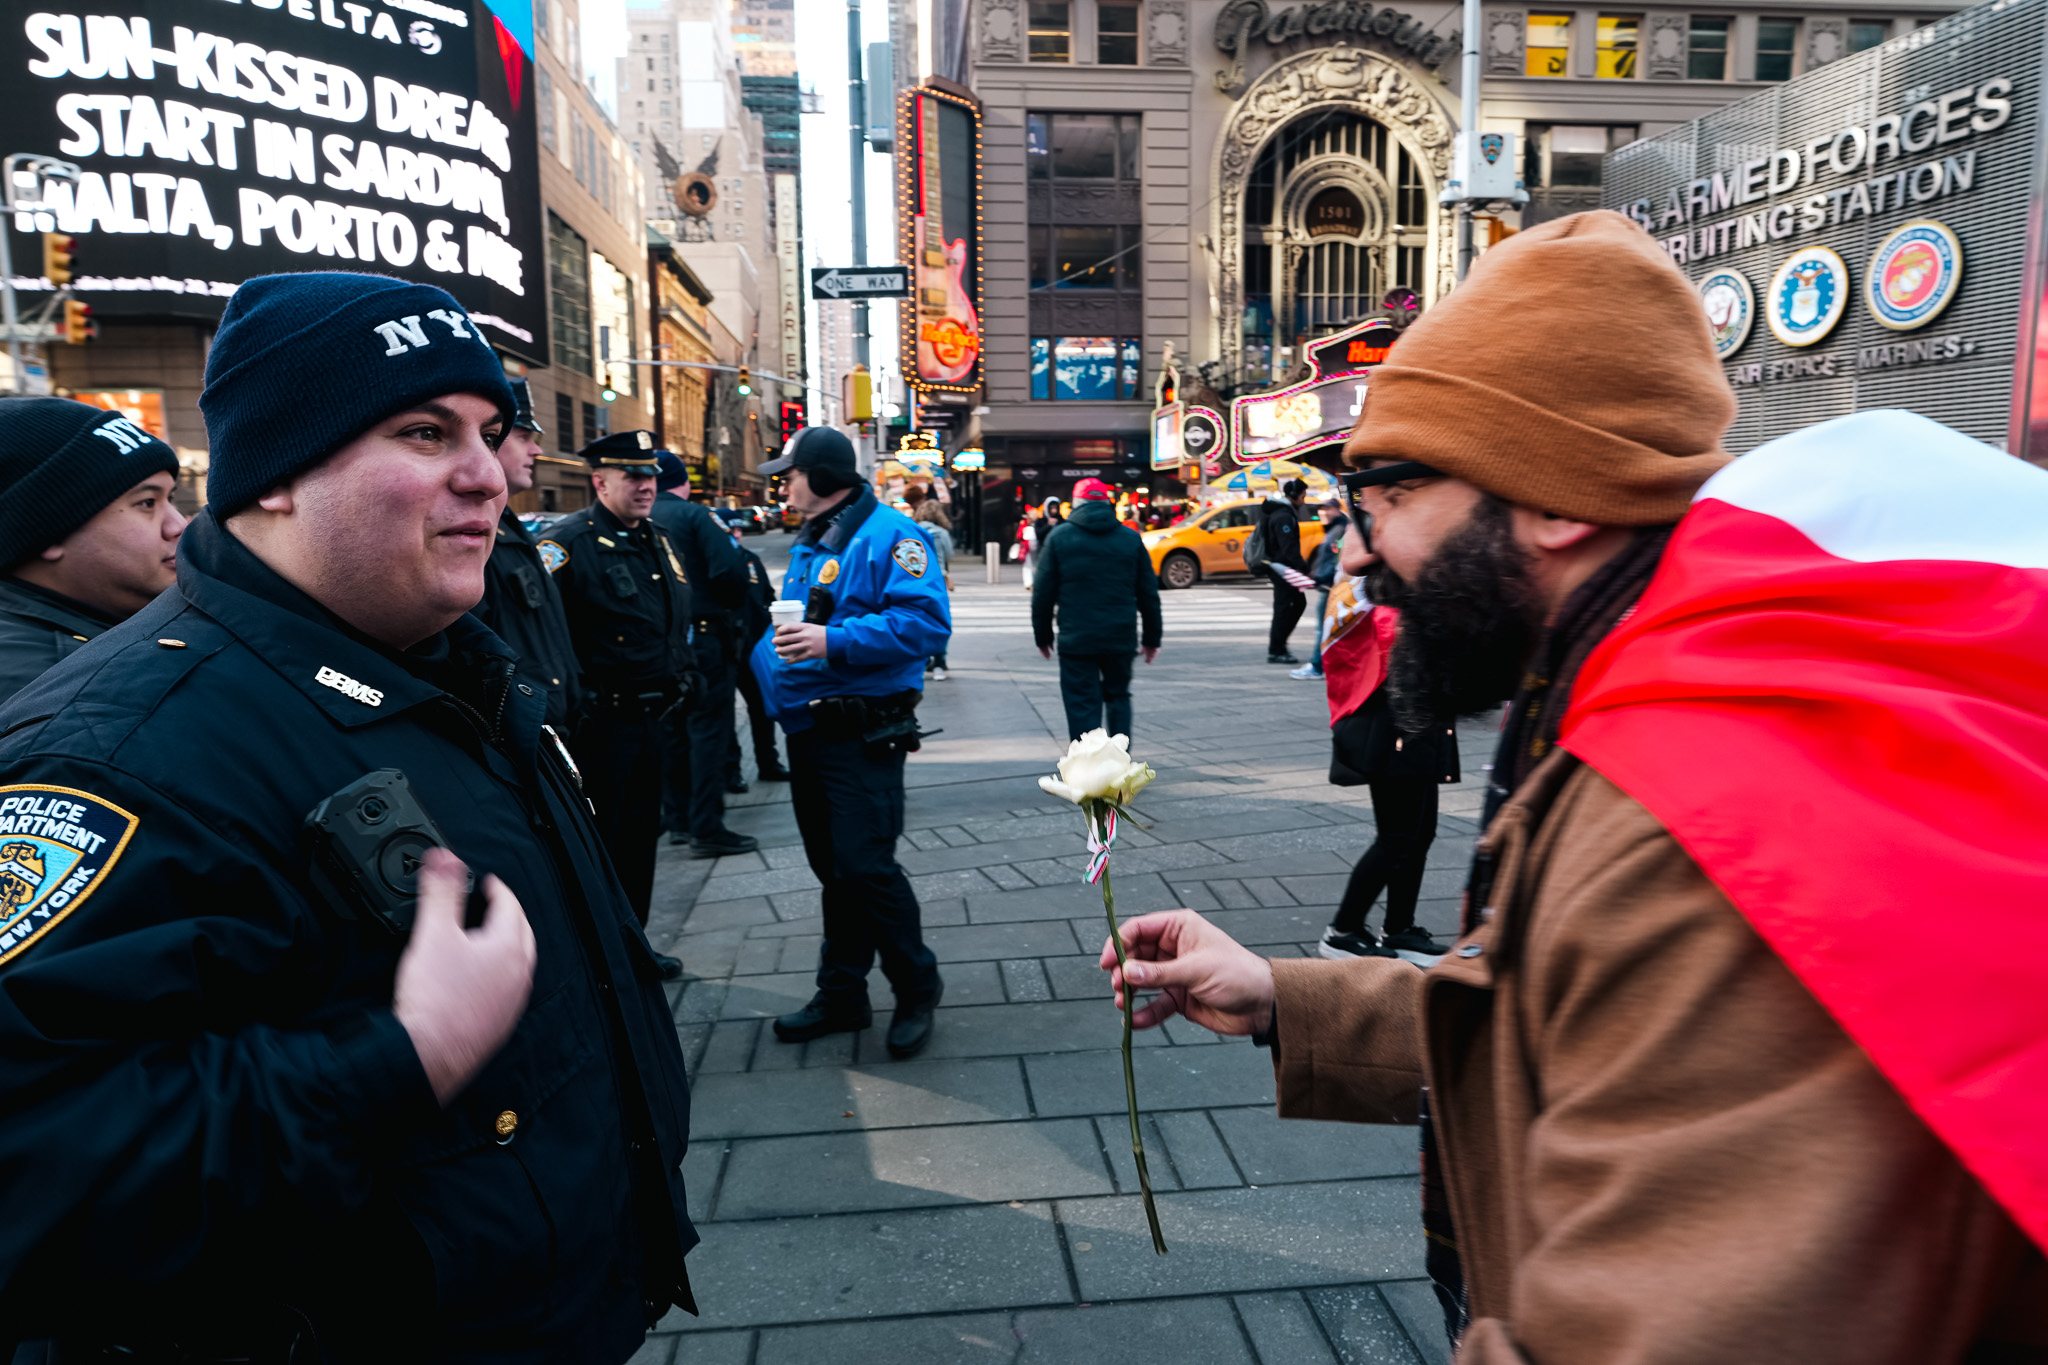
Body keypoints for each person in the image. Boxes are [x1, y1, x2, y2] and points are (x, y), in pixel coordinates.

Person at [1099, 214, 2048, 1361]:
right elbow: (1575, 1004)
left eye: (1386, 492)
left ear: (1555, 498)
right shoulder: (1647, 674)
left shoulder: (1704, 802)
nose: (1353, 551)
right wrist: (1282, 1000)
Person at [0, 272, 697, 1360]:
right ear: (277, 474)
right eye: (423, 433)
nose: (485, 474)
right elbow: (38, 1172)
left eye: (489, 431)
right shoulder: (112, 754)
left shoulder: (450, 666)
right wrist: (404, 1051)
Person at [752, 427, 950, 1059]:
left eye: (790, 473)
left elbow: (925, 623)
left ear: (824, 475)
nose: (783, 484)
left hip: (864, 734)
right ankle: (842, 993)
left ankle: (917, 987)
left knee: (866, 868)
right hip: (812, 730)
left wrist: (831, 640)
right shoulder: (819, 537)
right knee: (835, 871)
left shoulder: (893, 534)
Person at [542, 431, 695, 965]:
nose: (646, 486)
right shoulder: (568, 545)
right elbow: (547, 641)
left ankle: (635, 945)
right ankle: (604, 957)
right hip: (601, 728)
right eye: (632, 476)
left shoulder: (657, 538)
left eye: (650, 476)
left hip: (656, 719)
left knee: (640, 840)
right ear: (599, 481)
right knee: (602, 845)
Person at [1313, 504, 1456, 965]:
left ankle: (1399, 928)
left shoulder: (1390, 577)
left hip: (1417, 717)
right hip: (1390, 718)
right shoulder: (1368, 587)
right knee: (1397, 834)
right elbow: (1398, 639)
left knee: (1422, 831)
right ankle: (1343, 930)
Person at [0, 397, 186, 702]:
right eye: (147, 503)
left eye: (171, 499)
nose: (177, 525)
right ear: (52, 531)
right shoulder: (61, 690)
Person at [647, 452, 757, 856]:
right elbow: (730, 572)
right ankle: (707, 827)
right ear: (684, 482)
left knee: (672, 732)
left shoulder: (637, 518)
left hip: (662, 643)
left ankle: (678, 820)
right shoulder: (696, 517)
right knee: (708, 731)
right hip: (707, 637)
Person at [473, 379, 582, 730]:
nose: (535, 451)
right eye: (524, 438)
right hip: (519, 733)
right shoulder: (474, 533)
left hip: (552, 725)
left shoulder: (509, 524)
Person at [1032, 476, 1162, 742]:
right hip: (1120, 635)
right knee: (1119, 697)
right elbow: (1148, 594)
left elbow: (1042, 594)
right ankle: (1119, 767)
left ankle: (1088, 770)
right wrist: (1151, 639)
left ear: (1076, 504)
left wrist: (1043, 636)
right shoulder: (1130, 538)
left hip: (1076, 637)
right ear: (1108, 503)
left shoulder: (1058, 537)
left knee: (1081, 703)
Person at [725, 523, 789, 787]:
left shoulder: (750, 560)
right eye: (730, 531)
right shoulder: (708, 559)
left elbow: (767, 596)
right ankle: (731, 771)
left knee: (762, 708)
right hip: (725, 648)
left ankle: (768, 762)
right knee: (724, 714)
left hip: (753, 646)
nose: (736, 535)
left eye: (738, 529)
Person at [1290, 494, 1349, 681]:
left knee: (1323, 628)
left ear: (1337, 510)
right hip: (1326, 584)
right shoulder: (1333, 529)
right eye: (1321, 509)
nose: (1323, 512)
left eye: (1327, 508)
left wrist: (1321, 577)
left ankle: (1316, 666)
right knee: (1328, 627)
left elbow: (1336, 560)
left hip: (1330, 586)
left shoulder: (1339, 529)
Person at [907, 484, 955, 680]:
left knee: (918, 616)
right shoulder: (941, 533)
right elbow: (950, 555)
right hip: (939, 579)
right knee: (940, 617)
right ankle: (940, 661)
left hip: (916, 579)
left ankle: (922, 658)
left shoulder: (912, 529)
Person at [1261, 477, 1310, 664]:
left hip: (1282, 568)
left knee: (1296, 605)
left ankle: (1279, 646)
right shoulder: (1283, 516)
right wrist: (1304, 568)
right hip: (1282, 569)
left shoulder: (1282, 512)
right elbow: (1288, 548)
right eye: (1303, 496)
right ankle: (1276, 649)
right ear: (1294, 496)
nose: (1304, 500)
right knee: (1284, 609)